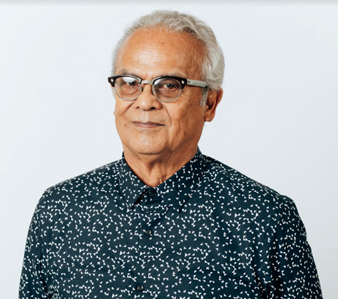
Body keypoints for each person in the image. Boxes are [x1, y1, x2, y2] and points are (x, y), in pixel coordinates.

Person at [19, 10, 322, 299]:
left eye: (168, 85)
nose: (145, 101)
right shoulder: (59, 211)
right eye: (130, 83)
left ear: (209, 104)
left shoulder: (266, 218)